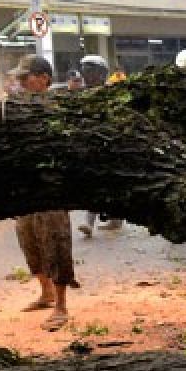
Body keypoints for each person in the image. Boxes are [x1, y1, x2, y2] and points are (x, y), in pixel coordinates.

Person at [9, 55, 80, 331]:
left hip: (52, 187)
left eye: (25, 77)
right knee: (28, 239)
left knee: (55, 242)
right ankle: (46, 292)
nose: (20, 82)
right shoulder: (20, 105)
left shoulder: (59, 107)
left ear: (44, 79)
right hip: (26, 188)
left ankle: (61, 305)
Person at [74, 55, 123, 238]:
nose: (89, 76)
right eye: (86, 71)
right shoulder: (80, 94)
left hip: (110, 144)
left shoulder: (111, 93)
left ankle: (106, 219)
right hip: (90, 145)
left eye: (92, 71)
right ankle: (94, 220)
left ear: (101, 73)